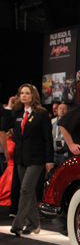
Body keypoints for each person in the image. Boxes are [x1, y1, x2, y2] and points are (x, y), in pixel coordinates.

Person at [0, 84, 53, 236]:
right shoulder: (17, 113)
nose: (23, 96)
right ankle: (34, 224)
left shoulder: (42, 114)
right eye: (21, 93)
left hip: (37, 158)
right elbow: (3, 126)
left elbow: (48, 138)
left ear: (33, 96)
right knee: (29, 193)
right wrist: (9, 108)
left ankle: (18, 224)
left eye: (27, 93)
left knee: (25, 190)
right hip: (21, 158)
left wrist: (49, 159)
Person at [51, 102, 69, 169]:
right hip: (53, 154)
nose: (62, 110)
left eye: (64, 108)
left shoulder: (70, 123)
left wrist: (66, 154)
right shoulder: (51, 122)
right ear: (57, 111)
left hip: (64, 154)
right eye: (60, 108)